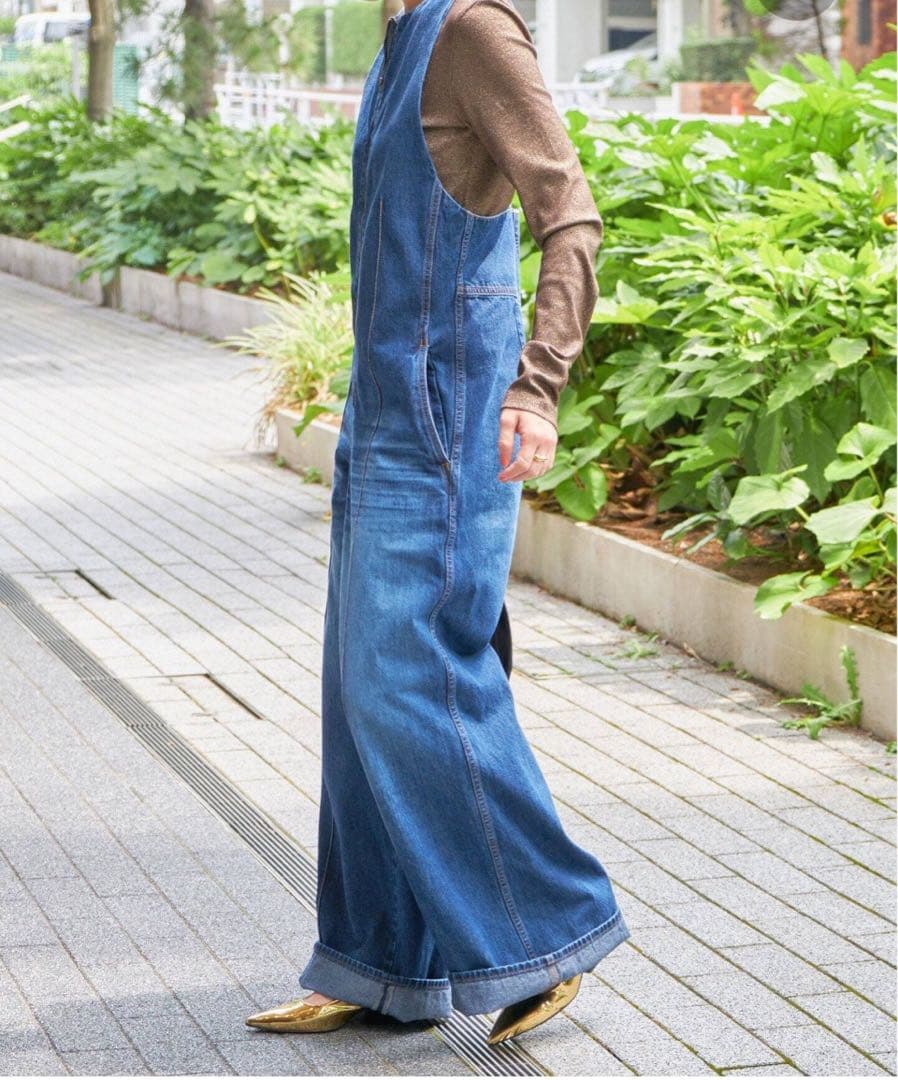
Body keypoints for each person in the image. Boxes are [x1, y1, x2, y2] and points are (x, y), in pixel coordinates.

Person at [246, 0, 629, 1046]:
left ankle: (549, 928)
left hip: (449, 414)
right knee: (356, 695)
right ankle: (376, 964)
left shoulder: (472, 32)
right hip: (383, 409)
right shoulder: (399, 38)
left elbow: (571, 216)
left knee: (410, 679)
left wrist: (537, 386)